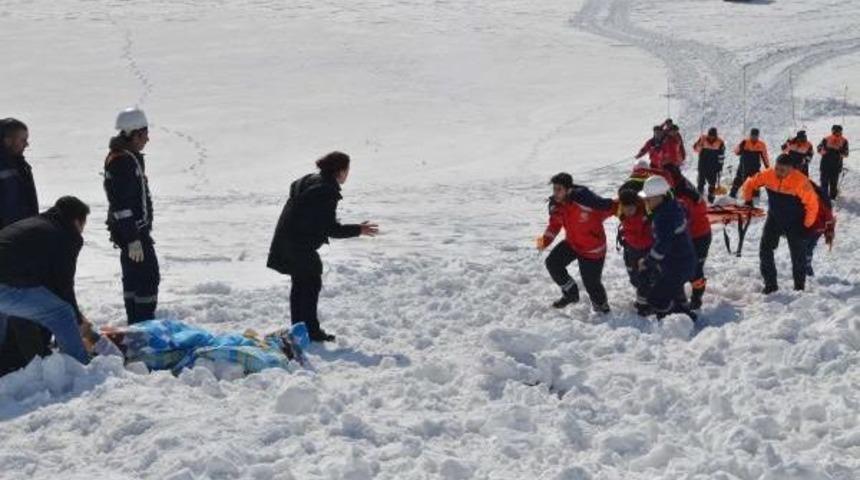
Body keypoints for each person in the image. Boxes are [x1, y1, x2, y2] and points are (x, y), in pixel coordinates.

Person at [267, 152, 378, 342]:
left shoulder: (312, 181)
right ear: (340, 171)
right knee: (310, 283)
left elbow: (313, 216)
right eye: (347, 170)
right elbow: (331, 229)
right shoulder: (326, 191)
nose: (348, 174)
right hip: (299, 245)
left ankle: (299, 330)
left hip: (287, 240)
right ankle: (311, 332)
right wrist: (359, 229)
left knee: (301, 284)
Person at [0, 197, 92, 373]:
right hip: (4, 285)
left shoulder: (37, 225)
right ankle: (80, 369)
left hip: (7, 281)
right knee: (62, 313)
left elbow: (47, 283)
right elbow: (64, 285)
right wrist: (78, 320)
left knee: (7, 311)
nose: (81, 231)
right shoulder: (66, 235)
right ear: (76, 221)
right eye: (83, 225)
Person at [0, 117, 52, 374]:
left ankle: (21, 355)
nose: (27, 144)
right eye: (22, 139)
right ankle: (17, 359)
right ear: (7, 140)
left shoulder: (17, 164)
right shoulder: (5, 167)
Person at [103, 108, 160, 324]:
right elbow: (121, 204)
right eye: (145, 134)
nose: (148, 139)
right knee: (147, 278)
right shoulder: (122, 161)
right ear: (135, 134)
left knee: (134, 277)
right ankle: (143, 324)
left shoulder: (126, 157)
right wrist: (133, 237)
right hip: (132, 232)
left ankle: (136, 322)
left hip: (131, 230)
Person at [536, 173, 614, 313]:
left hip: (592, 249)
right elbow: (554, 226)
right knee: (552, 263)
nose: (555, 193)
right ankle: (571, 294)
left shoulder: (587, 204)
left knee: (591, 283)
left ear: (569, 189)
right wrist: (542, 242)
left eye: (559, 189)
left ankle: (601, 306)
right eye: (554, 189)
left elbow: (614, 206)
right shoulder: (558, 206)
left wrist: (635, 204)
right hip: (572, 244)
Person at [742, 154, 819, 294]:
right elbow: (749, 183)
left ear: (791, 169)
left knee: (798, 256)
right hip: (775, 218)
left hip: (795, 221)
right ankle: (770, 284)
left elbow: (813, 205)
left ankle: (799, 287)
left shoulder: (801, 181)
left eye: (782, 170)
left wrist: (806, 225)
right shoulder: (768, 174)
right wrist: (748, 200)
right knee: (765, 249)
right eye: (777, 168)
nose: (778, 172)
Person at [637, 176, 697, 320]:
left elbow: (662, 245)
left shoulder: (663, 217)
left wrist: (647, 262)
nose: (646, 202)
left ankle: (675, 321)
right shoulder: (673, 205)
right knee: (672, 292)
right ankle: (684, 313)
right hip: (682, 261)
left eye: (648, 199)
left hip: (678, 266)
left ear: (659, 197)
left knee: (657, 299)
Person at [672, 175, 712, 310]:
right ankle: (680, 299)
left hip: (699, 236)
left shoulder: (683, 196)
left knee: (695, 271)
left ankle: (696, 299)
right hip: (688, 235)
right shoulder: (680, 185)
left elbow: (681, 222)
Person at [804, 181, 835, 277]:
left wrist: (829, 231)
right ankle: (807, 267)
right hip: (816, 229)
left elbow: (829, 218)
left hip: (813, 229)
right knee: (808, 248)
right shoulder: (822, 198)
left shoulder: (818, 200)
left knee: (805, 248)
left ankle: (805, 268)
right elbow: (830, 218)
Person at [729, 128, 770, 198]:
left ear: (758, 136)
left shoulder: (761, 145)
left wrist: (767, 167)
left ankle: (755, 196)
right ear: (750, 135)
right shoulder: (745, 142)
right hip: (743, 166)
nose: (754, 137)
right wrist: (740, 147)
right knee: (738, 180)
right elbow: (736, 152)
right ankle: (732, 194)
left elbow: (765, 156)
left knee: (756, 182)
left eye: (755, 136)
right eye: (752, 135)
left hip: (755, 167)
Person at [692, 127, 726, 203]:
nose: (711, 137)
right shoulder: (703, 139)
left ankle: (711, 199)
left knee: (712, 183)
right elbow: (695, 149)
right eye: (710, 135)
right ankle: (698, 199)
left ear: (716, 136)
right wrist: (699, 145)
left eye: (713, 136)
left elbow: (721, 156)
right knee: (701, 182)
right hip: (703, 164)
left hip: (713, 166)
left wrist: (720, 167)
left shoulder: (720, 142)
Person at [817, 125, 849, 200]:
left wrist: (840, 152)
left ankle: (833, 198)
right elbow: (819, 149)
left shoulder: (844, 141)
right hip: (825, 165)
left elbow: (846, 154)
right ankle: (823, 199)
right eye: (836, 131)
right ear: (833, 131)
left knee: (833, 184)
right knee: (824, 183)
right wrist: (825, 150)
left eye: (839, 131)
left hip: (836, 166)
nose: (838, 133)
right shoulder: (826, 139)